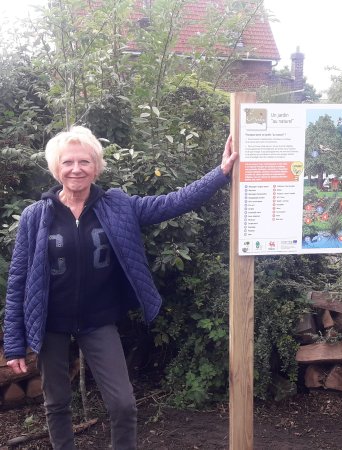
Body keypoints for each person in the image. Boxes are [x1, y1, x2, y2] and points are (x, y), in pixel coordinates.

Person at [4, 126, 237, 450]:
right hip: (50, 323)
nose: (76, 169)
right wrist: (14, 344)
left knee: (123, 404)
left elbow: (172, 203)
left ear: (95, 166)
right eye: (68, 162)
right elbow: (18, 280)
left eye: (84, 161)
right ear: (56, 167)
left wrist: (221, 173)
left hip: (98, 320)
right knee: (57, 404)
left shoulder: (116, 206)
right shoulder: (35, 216)